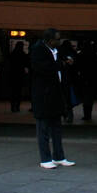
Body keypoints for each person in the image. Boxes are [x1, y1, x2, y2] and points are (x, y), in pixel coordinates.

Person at [30, 28, 73, 169]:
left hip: (55, 93)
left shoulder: (56, 51)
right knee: (43, 128)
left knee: (56, 127)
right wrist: (61, 64)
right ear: (49, 40)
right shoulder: (38, 50)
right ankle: (45, 158)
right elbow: (43, 68)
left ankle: (59, 156)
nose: (59, 41)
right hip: (43, 94)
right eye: (57, 39)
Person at [6, 38, 28, 112]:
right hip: (20, 75)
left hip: (12, 75)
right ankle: (17, 106)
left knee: (13, 91)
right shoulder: (23, 54)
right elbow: (26, 63)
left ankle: (13, 106)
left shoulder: (12, 54)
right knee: (18, 92)